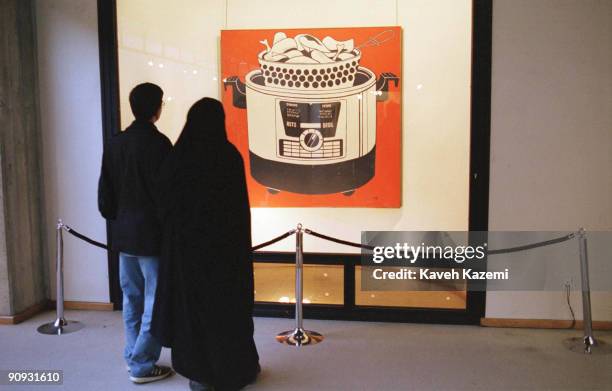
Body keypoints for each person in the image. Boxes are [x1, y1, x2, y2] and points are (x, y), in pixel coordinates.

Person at [152, 98, 260, 391]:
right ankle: (234, 369)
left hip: (187, 255)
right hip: (224, 254)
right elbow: (238, 210)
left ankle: (199, 374)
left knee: (192, 316)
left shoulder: (178, 158)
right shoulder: (228, 156)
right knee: (226, 313)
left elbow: (162, 202)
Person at [98, 82, 173, 384]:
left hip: (124, 235)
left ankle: (133, 355)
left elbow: (105, 195)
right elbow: (169, 196)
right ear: (157, 109)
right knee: (153, 303)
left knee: (132, 300)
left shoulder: (115, 143)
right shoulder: (161, 145)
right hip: (152, 237)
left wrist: (116, 219)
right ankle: (141, 364)